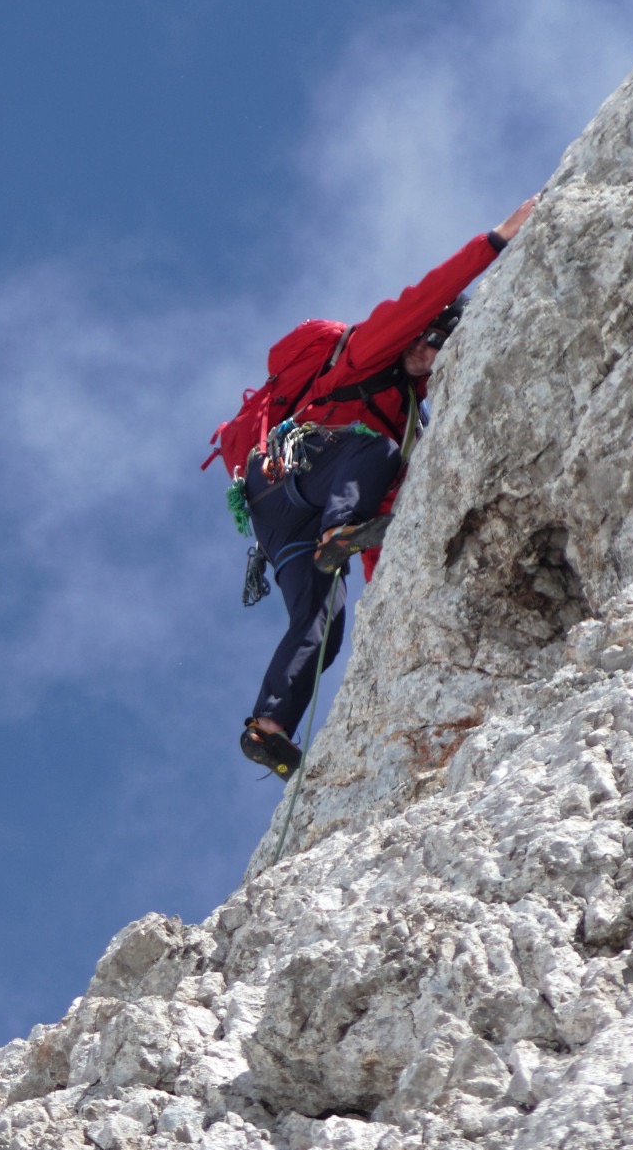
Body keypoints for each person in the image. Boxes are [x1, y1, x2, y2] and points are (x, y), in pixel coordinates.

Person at [230, 196, 539, 775]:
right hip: (295, 479)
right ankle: (335, 532)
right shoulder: (365, 353)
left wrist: (390, 613)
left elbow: (385, 526)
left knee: (324, 623)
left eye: (443, 345)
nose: (429, 351)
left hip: (293, 521)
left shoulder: (409, 420)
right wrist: (494, 243)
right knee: (375, 451)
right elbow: (419, 295)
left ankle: (267, 727)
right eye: (431, 336)